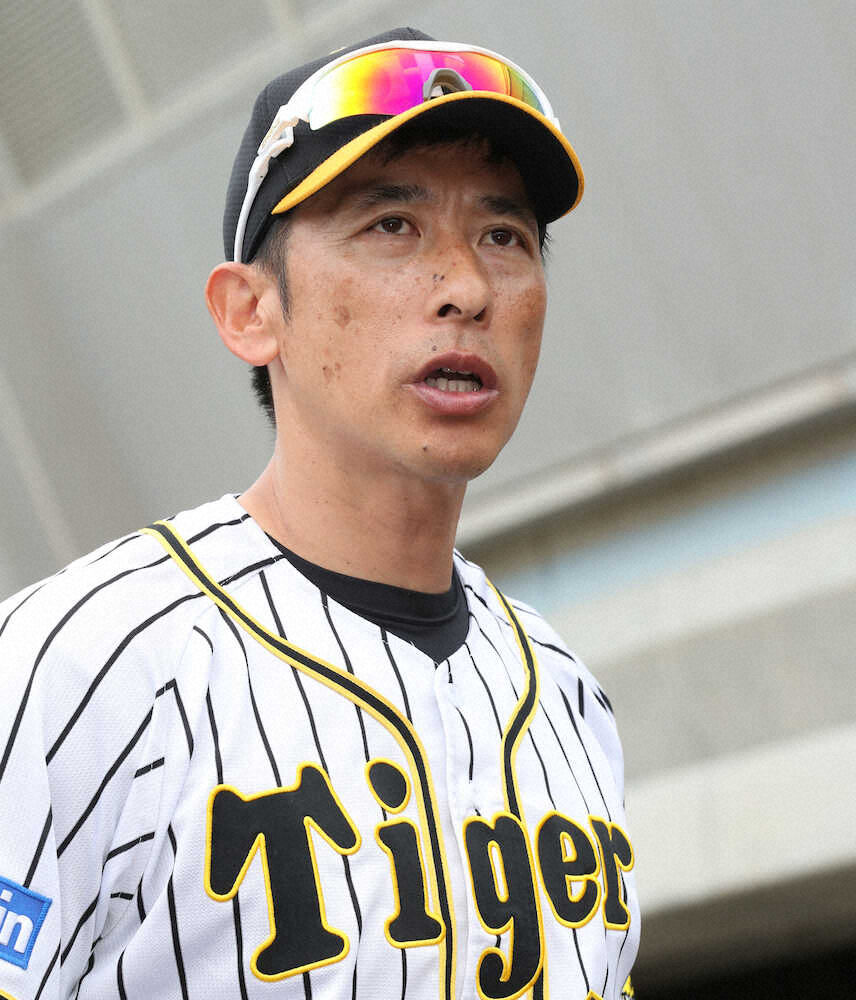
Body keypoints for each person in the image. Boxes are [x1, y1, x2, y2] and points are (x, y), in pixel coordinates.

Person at [0, 26, 638, 1000]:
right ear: (249, 311)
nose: (467, 288)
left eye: (504, 236)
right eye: (392, 226)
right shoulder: (80, 665)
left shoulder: (564, 694)